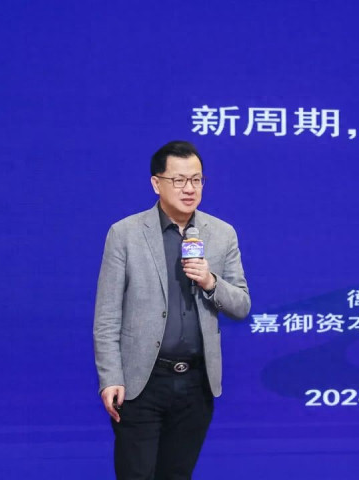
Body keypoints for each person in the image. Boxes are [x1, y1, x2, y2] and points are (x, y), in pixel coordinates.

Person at [93, 140, 250, 479]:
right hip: (141, 382)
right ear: (156, 183)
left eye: (196, 179)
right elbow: (106, 317)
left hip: (196, 384)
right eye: (179, 180)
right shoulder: (125, 234)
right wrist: (110, 378)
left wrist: (210, 281)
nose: (189, 189)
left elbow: (241, 305)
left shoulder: (222, 234)